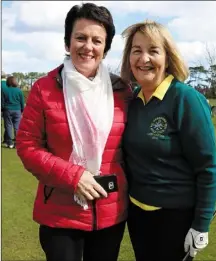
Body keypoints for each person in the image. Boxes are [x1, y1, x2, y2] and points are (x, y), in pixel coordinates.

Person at [16, 3, 131, 261]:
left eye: (96, 40)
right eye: (80, 37)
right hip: (60, 213)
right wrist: (74, 177)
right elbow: (27, 145)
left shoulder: (122, 91)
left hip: (110, 212)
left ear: (105, 48)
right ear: (68, 43)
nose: (88, 46)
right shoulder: (44, 88)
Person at [121, 20, 216, 261]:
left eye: (153, 50)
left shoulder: (186, 99)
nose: (144, 58)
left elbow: (208, 167)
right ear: (128, 58)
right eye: (137, 50)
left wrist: (201, 224)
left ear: (167, 57)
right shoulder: (132, 101)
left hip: (175, 219)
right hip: (137, 214)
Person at [2, 75, 24, 148]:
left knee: (8, 126)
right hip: (17, 110)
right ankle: (17, 143)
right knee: (17, 127)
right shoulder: (19, 90)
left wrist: (2, 109)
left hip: (7, 110)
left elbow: (2, 102)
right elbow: (22, 102)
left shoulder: (5, 90)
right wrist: (22, 110)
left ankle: (10, 142)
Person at [1, 71, 8, 144]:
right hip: (6, 107)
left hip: (3, 106)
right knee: (7, 125)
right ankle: (7, 139)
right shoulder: (9, 85)